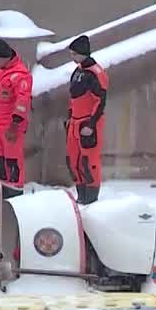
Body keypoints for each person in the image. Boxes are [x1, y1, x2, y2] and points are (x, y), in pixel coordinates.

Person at [0, 39, 32, 192]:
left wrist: (14, 125)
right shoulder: (1, 71)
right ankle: (3, 187)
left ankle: (15, 190)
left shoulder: (20, 75)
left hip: (11, 126)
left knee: (13, 160)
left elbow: (23, 101)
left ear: (6, 57)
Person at [64, 35, 108, 205]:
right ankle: (81, 194)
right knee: (73, 160)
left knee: (88, 161)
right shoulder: (78, 71)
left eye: (74, 54)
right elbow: (73, 97)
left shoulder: (95, 73)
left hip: (88, 123)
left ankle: (91, 196)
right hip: (75, 122)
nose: (72, 57)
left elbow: (100, 100)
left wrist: (91, 124)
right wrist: (69, 118)